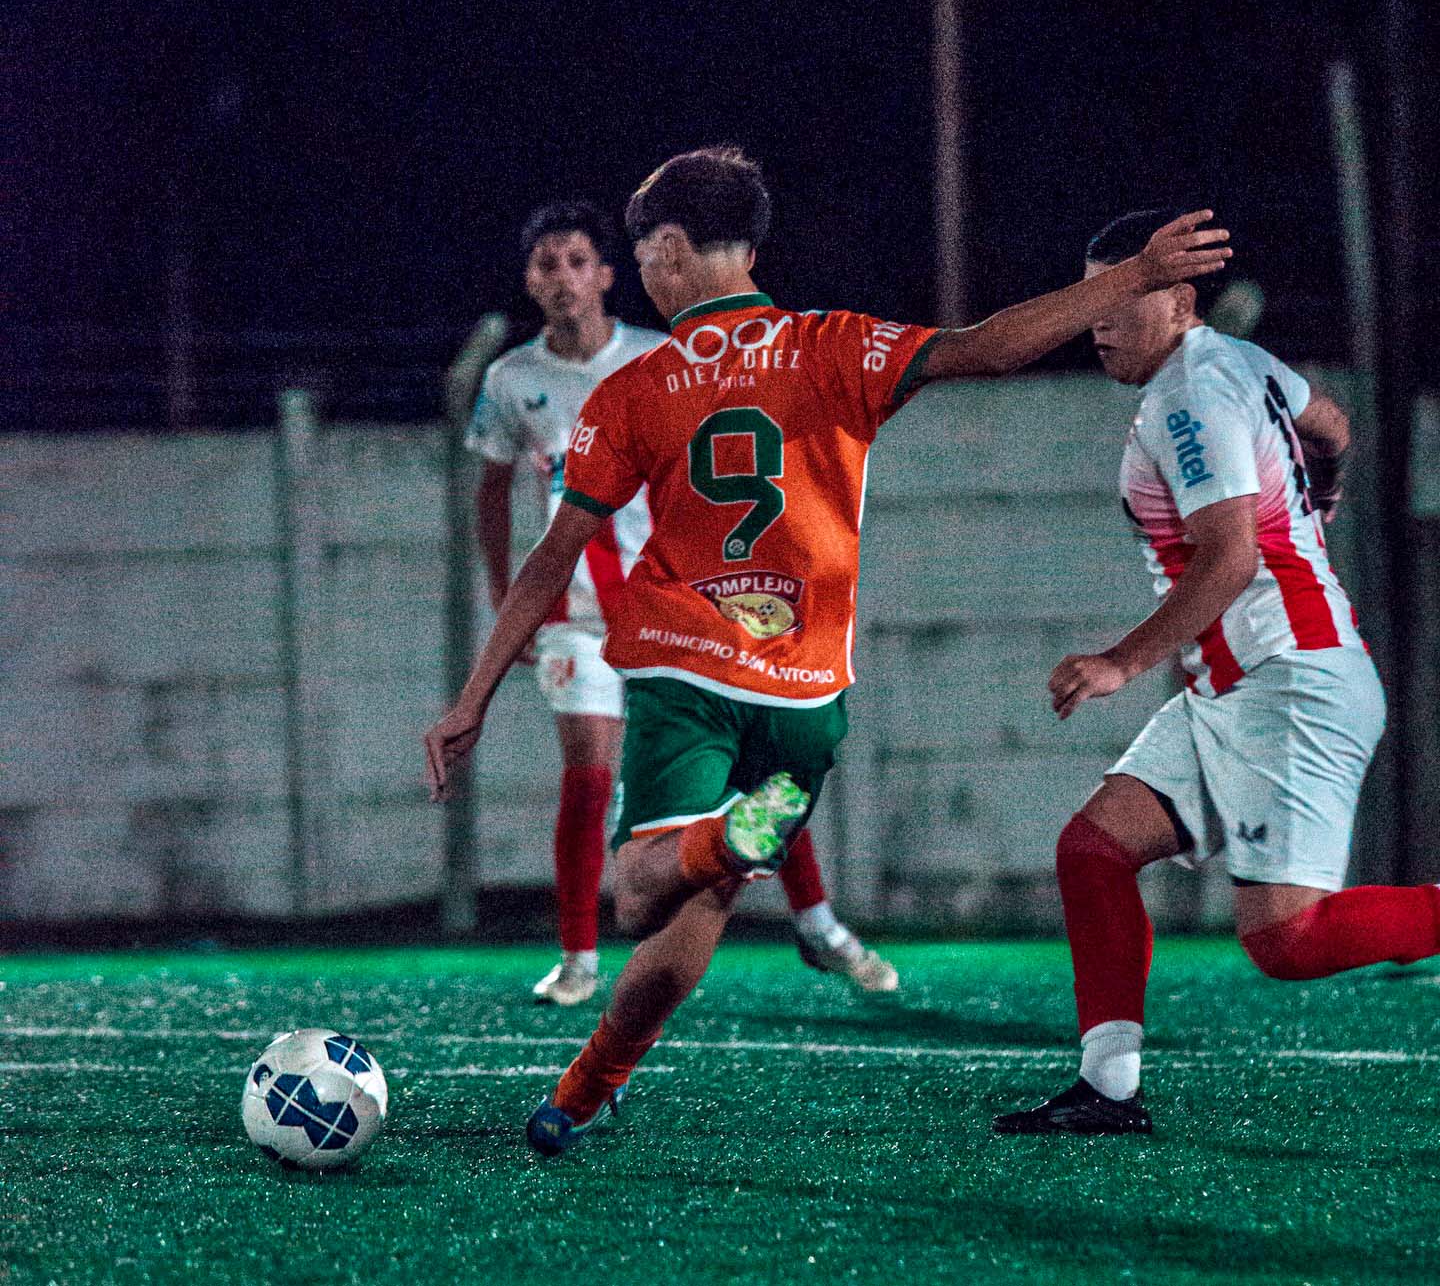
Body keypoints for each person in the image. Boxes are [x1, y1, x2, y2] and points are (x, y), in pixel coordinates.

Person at [422, 151, 1230, 1154]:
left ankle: (721, 851)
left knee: (642, 894)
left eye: (643, 255)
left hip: (685, 668)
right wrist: (1128, 279)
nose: (645, 277)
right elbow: (986, 347)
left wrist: (472, 696)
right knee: (697, 919)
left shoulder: (635, 388)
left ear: (670, 250)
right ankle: (585, 1088)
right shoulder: (837, 345)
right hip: (807, 690)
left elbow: (551, 560)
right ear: (752, 250)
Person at [993, 208, 1437, 1137]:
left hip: (1290, 684)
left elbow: (1229, 555)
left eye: (1127, 295)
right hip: (1239, 686)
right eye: (1097, 296)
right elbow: (1333, 423)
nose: (1100, 317)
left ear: (1181, 301)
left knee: (1288, 942)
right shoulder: (1242, 364)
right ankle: (1109, 1090)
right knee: (1095, 851)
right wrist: (1325, 483)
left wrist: (1122, 660)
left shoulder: (1186, 395)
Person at [456, 199, 897, 1004]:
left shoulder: (662, 357)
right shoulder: (511, 381)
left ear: (607, 275)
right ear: (528, 280)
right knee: (589, 778)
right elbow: (489, 492)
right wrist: (499, 589)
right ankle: (580, 960)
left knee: (756, 771)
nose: (561, 278)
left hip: (680, 608)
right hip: (578, 615)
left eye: (576, 261)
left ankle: (819, 924)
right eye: (545, 264)